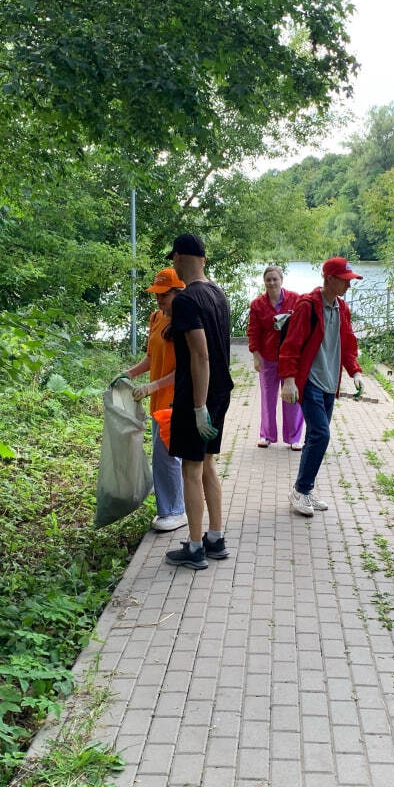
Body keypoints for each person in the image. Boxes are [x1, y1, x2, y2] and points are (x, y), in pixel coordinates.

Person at [164, 233, 233, 570]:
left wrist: (197, 406)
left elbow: (200, 355)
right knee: (208, 463)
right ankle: (215, 537)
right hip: (222, 392)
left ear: (178, 258)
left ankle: (194, 547)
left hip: (199, 395)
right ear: (202, 259)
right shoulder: (219, 294)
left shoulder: (186, 300)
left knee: (190, 469)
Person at [277, 256, 364, 518]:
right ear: (329, 279)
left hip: (329, 383)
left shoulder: (342, 308)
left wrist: (355, 372)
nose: (349, 285)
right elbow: (290, 345)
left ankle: (305, 489)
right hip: (310, 382)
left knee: (315, 437)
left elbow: (347, 344)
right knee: (321, 435)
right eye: (345, 280)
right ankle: (300, 490)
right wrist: (289, 380)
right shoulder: (307, 306)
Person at [120, 268, 187, 533]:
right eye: (156, 294)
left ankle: (174, 511)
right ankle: (174, 506)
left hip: (174, 400)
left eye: (164, 294)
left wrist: (152, 386)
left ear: (178, 292)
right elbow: (151, 358)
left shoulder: (183, 323)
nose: (159, 299)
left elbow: (185, 368)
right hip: (157, 400)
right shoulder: (156, 318)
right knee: (165, 455)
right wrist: (129, 373)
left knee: (166, 456)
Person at [247, 264, 304, 449]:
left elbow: (303, 327)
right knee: (267, 398)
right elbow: (253, 331)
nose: (271, 283)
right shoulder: (257, 304)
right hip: (268, 357)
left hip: (290, 358)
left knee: (292, 397)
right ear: (264, 282)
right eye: (268, 279)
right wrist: (256, 355)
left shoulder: (295, 300)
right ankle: (267, 435)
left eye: (275, 279)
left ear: (281, 280)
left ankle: (294, 438)